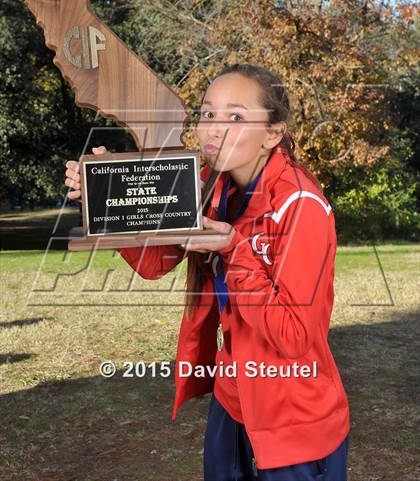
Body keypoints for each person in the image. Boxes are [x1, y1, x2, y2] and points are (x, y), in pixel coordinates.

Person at [64, 63, 350, 480]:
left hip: (294, 414)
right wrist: (108, 196)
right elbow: (155, 263)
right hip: (233, 397)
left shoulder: (301, 205)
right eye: (207, 113)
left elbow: (293, 336)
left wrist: (235, 249)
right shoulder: (206, 184)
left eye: (235, 117)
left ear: (273, 133)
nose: (213, 129)